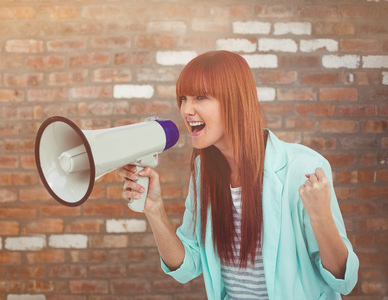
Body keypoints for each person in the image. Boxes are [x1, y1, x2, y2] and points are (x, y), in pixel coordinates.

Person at [118, 50, 359, 299]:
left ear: (235, 100)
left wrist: (321, 216)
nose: (187, 110)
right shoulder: (204, 172)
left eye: (201, 97)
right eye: (183, 98)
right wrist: (154, 209)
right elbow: (187, 267)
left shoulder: (302, 167)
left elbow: (344, 281)